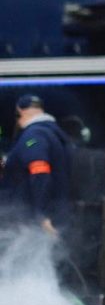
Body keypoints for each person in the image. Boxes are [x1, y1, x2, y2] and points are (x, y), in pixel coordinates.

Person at [0, 95, 73, 237]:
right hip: (54, 210)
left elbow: (39, 171)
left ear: (19, 111)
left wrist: (41, 214)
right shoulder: (53, 133)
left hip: (32, 219)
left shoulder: (33, 137)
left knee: (29, 256)